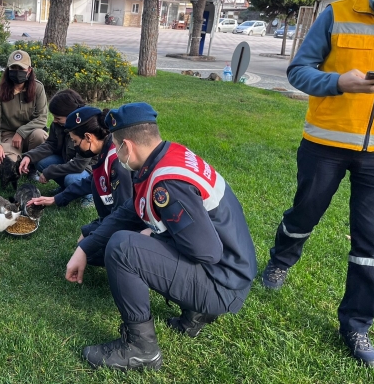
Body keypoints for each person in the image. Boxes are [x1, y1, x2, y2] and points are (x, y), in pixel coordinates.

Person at [261, 0, 374, 368]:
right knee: (305, 212)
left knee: (372, 240)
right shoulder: (337, 14)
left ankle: (357, 325)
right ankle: (279, 262)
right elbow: (298, 70)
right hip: (324, 145)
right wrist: (338, 82)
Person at [64, 103, 257, 371]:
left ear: (127, 147)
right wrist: (85, 248)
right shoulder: (166, 156)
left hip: (223, 285)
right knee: (114, 241)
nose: (116, 152)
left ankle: (142, 349)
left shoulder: (168, 183)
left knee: (123, 247)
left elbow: (207, 251)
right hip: (229, 272)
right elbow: (128, 211)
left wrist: (154, 238)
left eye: (117, 146)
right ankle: (197, 312)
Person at [28, 106, 133, 263]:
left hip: (130, 226)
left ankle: (128, 259)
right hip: (116, 218)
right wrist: (56, 199)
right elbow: (91, 181)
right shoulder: (107, 149)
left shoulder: (117, 163)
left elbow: (124, 215)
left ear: (88, 137)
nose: (75, 146)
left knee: (87, 250)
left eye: (76, 141)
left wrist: (91, 239)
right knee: (83, 244)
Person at [18, 89, 96, 205]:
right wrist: (29, 156)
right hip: (69, 161)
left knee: (72, 179)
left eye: (58, 118)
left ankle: (90, 194)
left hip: (89, 169)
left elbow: (79, 165)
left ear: (71, 115)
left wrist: (50, 171)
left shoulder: (87, 127)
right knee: (40, 161)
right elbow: (51, 144)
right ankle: (65, 188)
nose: (54, 121)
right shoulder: (58, 124)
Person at [0, 50, 48, 168]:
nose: (17, 72)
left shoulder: (38, 88)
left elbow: (42, 118)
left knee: (41, 135)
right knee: (7, 166)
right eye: (13, 68)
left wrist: (21, 132)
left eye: (21, 69)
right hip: (8, 136)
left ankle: (32, 167)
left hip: (30, 134)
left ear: (29, 70)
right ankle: (17, 161)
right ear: (8, 70)